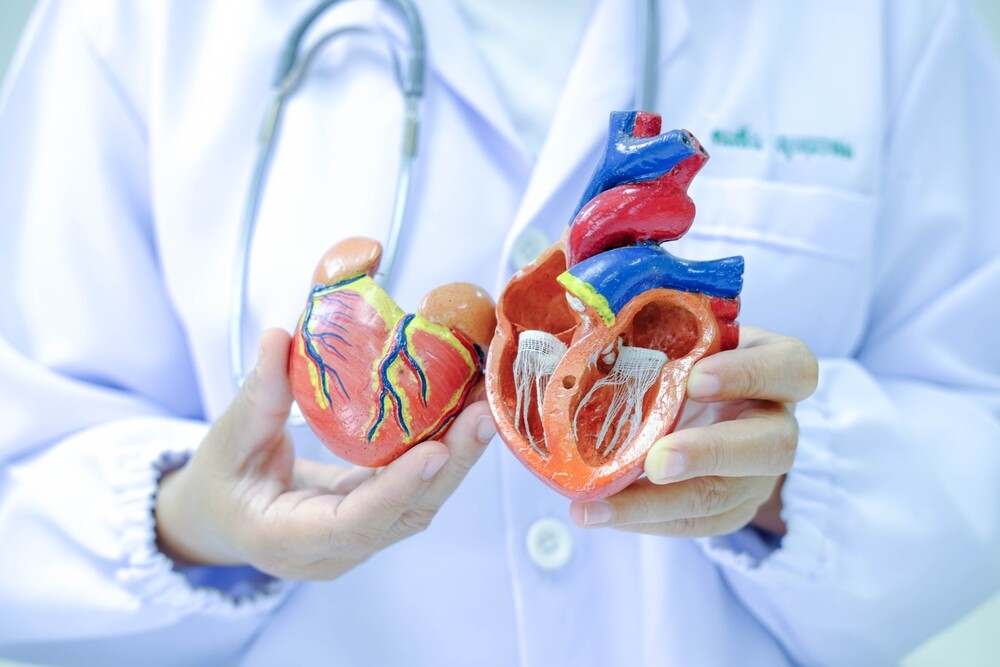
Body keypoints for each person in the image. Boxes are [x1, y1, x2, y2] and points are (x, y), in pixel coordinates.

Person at [0, 1, 998, 665]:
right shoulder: (128, 24)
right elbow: (23, 477)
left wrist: (782, 474)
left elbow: (974, 424)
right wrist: (194, 523)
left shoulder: (892, 21)